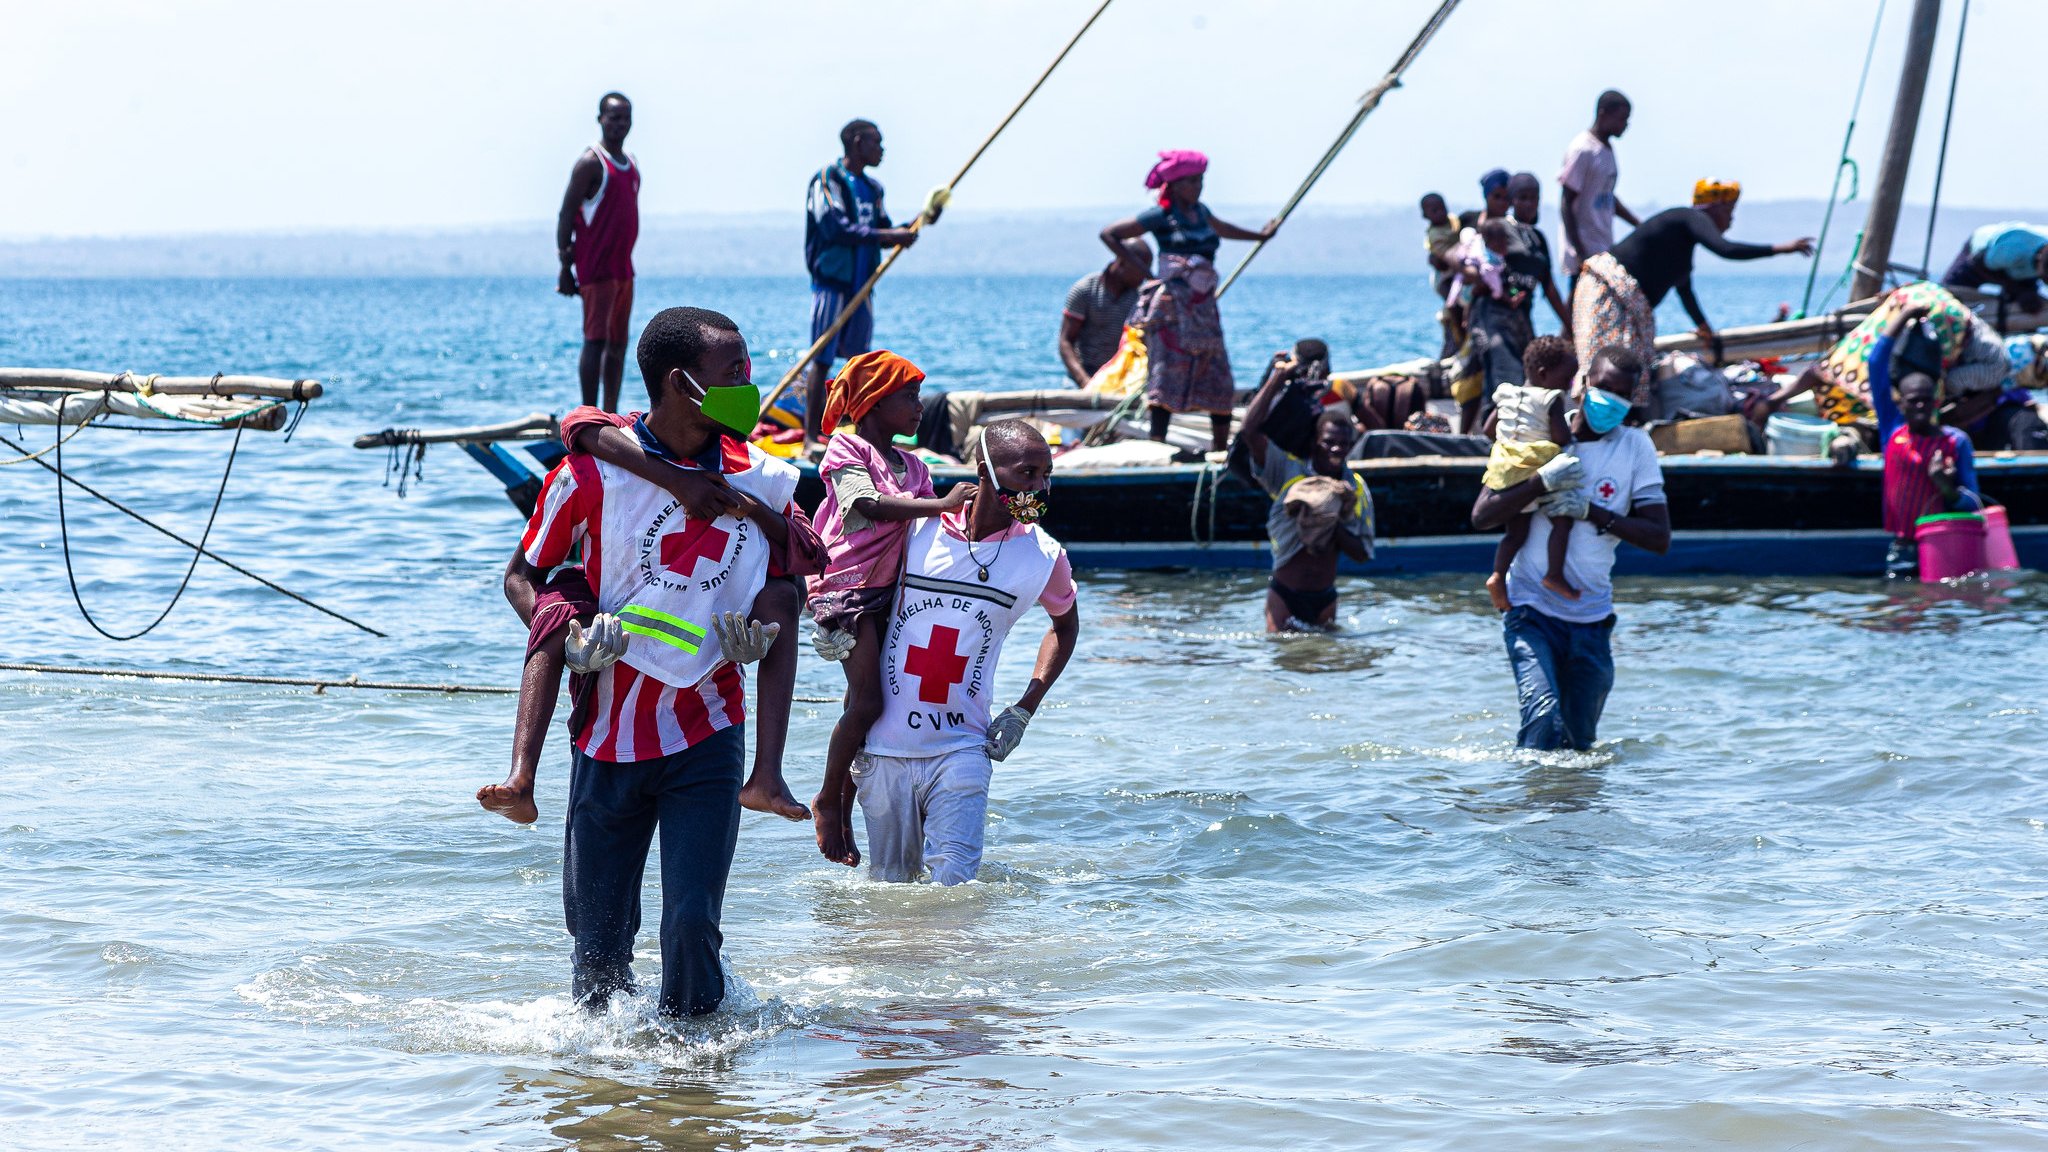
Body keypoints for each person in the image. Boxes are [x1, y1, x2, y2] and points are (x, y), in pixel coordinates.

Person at [504, 306, 811, 1018]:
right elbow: (522, 575)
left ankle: (698, 1091)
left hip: (708, 729)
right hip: (605, 738)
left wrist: (763, 625)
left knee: (692, 926)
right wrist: (566, 636)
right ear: (681, 384)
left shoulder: (762, 477)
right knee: (598, 949)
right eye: (734, 371)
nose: (750, 384)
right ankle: (604, 1100)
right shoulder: (588, 476)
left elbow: (789, 575)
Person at [476, 400, 826, 826]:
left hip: (710, 718)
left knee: (781, 596)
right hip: (606, 725)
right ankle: (522, 776)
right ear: (681, 385)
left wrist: (751, 508)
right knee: (556, 607)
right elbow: (577, 424)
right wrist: (676, 481)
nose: (745, 391)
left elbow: (808, 552)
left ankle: (767, 774)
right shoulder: (605, 455)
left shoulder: (754, 470)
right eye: (733, 376)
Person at [811, 420, 1080, 883]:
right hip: (885, 752)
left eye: (1046, 475)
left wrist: (1023, 710)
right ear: (985, 472)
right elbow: (852, 579)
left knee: (955, 895)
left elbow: (1065, 627)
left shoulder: (1044, 556)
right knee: (889, 898)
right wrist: (831, 624)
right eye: (1027, 474)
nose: (1040, 487)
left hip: (963, 751)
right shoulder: (916, 530)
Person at [805, 350, 979, 860]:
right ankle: (828, 800)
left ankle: (846, 800)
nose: (920, 406)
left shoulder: (915, 465)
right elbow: (865, 505)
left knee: (867, 706)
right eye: (908, 396)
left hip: (895, 592)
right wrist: (944, 501)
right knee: (870, 703)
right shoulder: (846, 449)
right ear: (875, 403)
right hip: (848, 589)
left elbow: (936, 530)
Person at [1471, 344, 1671, 752]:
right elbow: (1482, 516)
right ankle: (1527, 810)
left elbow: (1658, 537)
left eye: (1621, 395)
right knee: (1542, 718)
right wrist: (1539, 482)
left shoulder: (1634, 447)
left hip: (1591, 617)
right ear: (1582, 384)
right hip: (1531, 610)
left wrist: (1590, 511)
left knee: (1579, 744)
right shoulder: (1541, 434)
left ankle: (1574, 814)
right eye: (1602, 388)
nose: (1609, 401)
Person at [1573, 181, 1813, 409]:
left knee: (1633, 368)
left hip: (1628, 306)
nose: (1731, 219)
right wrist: (1781, 249)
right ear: (1713, 206)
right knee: (1606, 365)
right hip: (1607, 292)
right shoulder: (1690, 217)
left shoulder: (1681, 246)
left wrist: (1704, 327)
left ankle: (1622, 423)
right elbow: (1726, 249)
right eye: (1729, 210)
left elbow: (1685, 290)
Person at [1100, 150, 1279, 452]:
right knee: (1168, 368)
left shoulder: (1202, 212)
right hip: (1173, 306)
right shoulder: (1161, 216)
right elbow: (1110, 234)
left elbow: (1223, 229)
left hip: (1204, 306)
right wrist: (1148, 272)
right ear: (1175, 185)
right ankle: (1157, 446)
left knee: (1217, 371)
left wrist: (1260, 237)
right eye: (1191, 182)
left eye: (1200, 181)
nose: (1198, 187)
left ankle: (1221, 450)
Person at [1761, 281, 2012, 450]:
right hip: (1939, 317)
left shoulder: (1989, 362)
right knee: (1922, 388)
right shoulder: (1995, 368)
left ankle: (1776, 399)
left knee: (1848, 357)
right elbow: (1944, 386)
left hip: (1917, 294)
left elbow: (1875, 360)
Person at [803, 120, 925, 449]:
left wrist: (909, 229)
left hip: (863, 285)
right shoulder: (829, 179)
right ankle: (811, 437)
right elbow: (834, 226)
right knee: (822, 358)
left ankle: (860, 436)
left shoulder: (873, 188)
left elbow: (883, 230)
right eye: (877, 143)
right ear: (858, 143)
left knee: (859, 362)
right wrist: (889, 235)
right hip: (834, 282)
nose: (883, 151)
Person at [1242, 352, 1374, 631]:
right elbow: (1250, 431)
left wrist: (1330, 521)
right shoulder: (1289, 472)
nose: (1336, 449)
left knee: (1327, 664)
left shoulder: (1355, 489)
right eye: (1329, 442)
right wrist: (1277, 379)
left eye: (1343, 443)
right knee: (1281, 661)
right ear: (1316, 442)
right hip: (1284, 595)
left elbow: (1362, 554)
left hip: (1324, 598)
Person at [1866, 304, 1984, 578]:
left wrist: (1948, 488)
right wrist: (1904, 315)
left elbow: (1974, 505)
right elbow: (1876, 363)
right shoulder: (1893, 431)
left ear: (1935, 403)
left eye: (1925, 401)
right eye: (1912, 401)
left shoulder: (1956, 443)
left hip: (1945, 541)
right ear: (1901, 404)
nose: (1919, 406)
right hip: (1903, 545)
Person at [1481, 336, 1582, 612]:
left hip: (1503, 469)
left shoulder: (1506, 394)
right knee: (1563, 520)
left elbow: (1489, 429)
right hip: (1532, 469)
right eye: (1567, 378)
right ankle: (1554, 574)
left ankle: (1498, 575)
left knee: (1515, 533)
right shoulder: (1551, 398)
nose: (1568, 384)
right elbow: (1561, 438)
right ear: (1543, 374)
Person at [555, 92, 641, 412]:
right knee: (596, 341)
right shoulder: (591, 163)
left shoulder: (631, 164)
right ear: (600, 119)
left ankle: (610, 413)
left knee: (618, 345)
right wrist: (566, 267)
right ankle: (589, 414)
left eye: (625, 117)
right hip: (597, 268)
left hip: (623, 270)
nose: (620, 123)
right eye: (613, 117)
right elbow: (566, 214)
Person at [1557, 90, 1639, 288]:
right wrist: (1579, 251)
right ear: (1603, 114)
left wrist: (1639, 224)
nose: (1625, 125)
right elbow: (1567, 202)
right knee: (1578, 307)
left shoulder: (1607, 150)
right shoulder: (1583, 149)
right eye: (1621, 119)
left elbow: (1608, 196)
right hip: (1584, 251)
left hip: (1602, 247)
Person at [1059, 238, 1154, 385]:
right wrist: (1084, 382)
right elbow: (1066, 341)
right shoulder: (1085, 290)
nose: (1144, 277)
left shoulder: (1139, 298)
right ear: (1122, 263)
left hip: (1122, 379)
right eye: (1141, 270)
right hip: (1084, 376)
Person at [1940, 221, 2048, 314]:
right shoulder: (2011, 253)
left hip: (2023, 261)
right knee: (1948, 297)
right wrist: (2017, 290)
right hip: (1982, 255)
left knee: (2032, 306)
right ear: (2038, 260)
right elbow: (1977, 262)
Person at [1421, 192, 1461, 357]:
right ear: (1425, 215)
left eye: (1441, 208)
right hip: (1442, 277)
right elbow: (1441, 259)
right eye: (1434, 210)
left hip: (1455, 273)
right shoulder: (1433, 234)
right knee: (1452, 303)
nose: (1440, 212)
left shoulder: (1453, 222)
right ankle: (1458, 327)